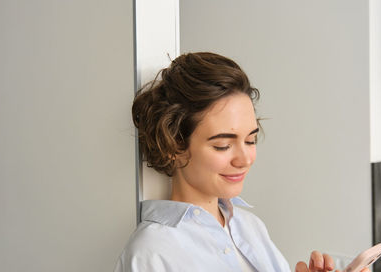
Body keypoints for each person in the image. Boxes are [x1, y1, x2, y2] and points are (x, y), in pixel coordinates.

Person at [115, 52, 363, 272]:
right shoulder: (151, 254)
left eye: (251, 141)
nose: (245, 159)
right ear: (174, 146)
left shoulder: (251, 228)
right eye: (223, 145)